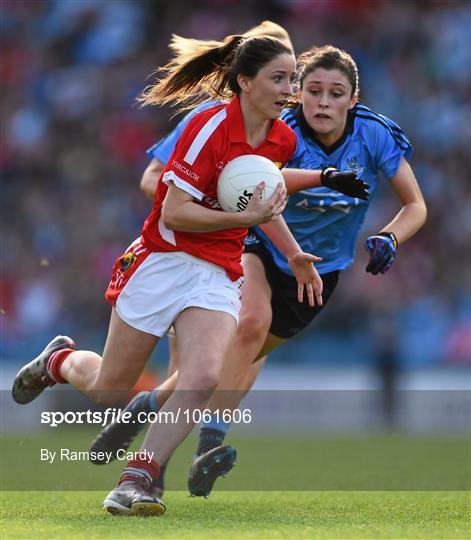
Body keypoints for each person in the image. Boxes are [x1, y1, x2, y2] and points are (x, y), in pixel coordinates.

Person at [88, 44, 427, 498]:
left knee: (226, 363)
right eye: (311, 90)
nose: (322, 101)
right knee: (250, 323)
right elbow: (186, 184)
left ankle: (146, 407)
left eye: (335, 93)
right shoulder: (260, 123)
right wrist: (246, 220)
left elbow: (415, 204)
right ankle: (203, 445)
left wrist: (389, 236)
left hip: (318, 269)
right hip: (253, 246)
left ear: (353, 99)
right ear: (293, 91)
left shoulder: (370, 135)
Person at [12, 35, 329, 517]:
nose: (291, 89)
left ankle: (135, 479)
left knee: (202, 379)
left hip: (219, 271)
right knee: (110, 393)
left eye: (293, 79)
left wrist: (293, 252)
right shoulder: (207, 126)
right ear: (245, 82)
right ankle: (59, 361)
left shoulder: (282, 139)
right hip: (163, 260)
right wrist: (241, 219)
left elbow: (258, 203)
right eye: (279, 78)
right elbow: (176, 213)